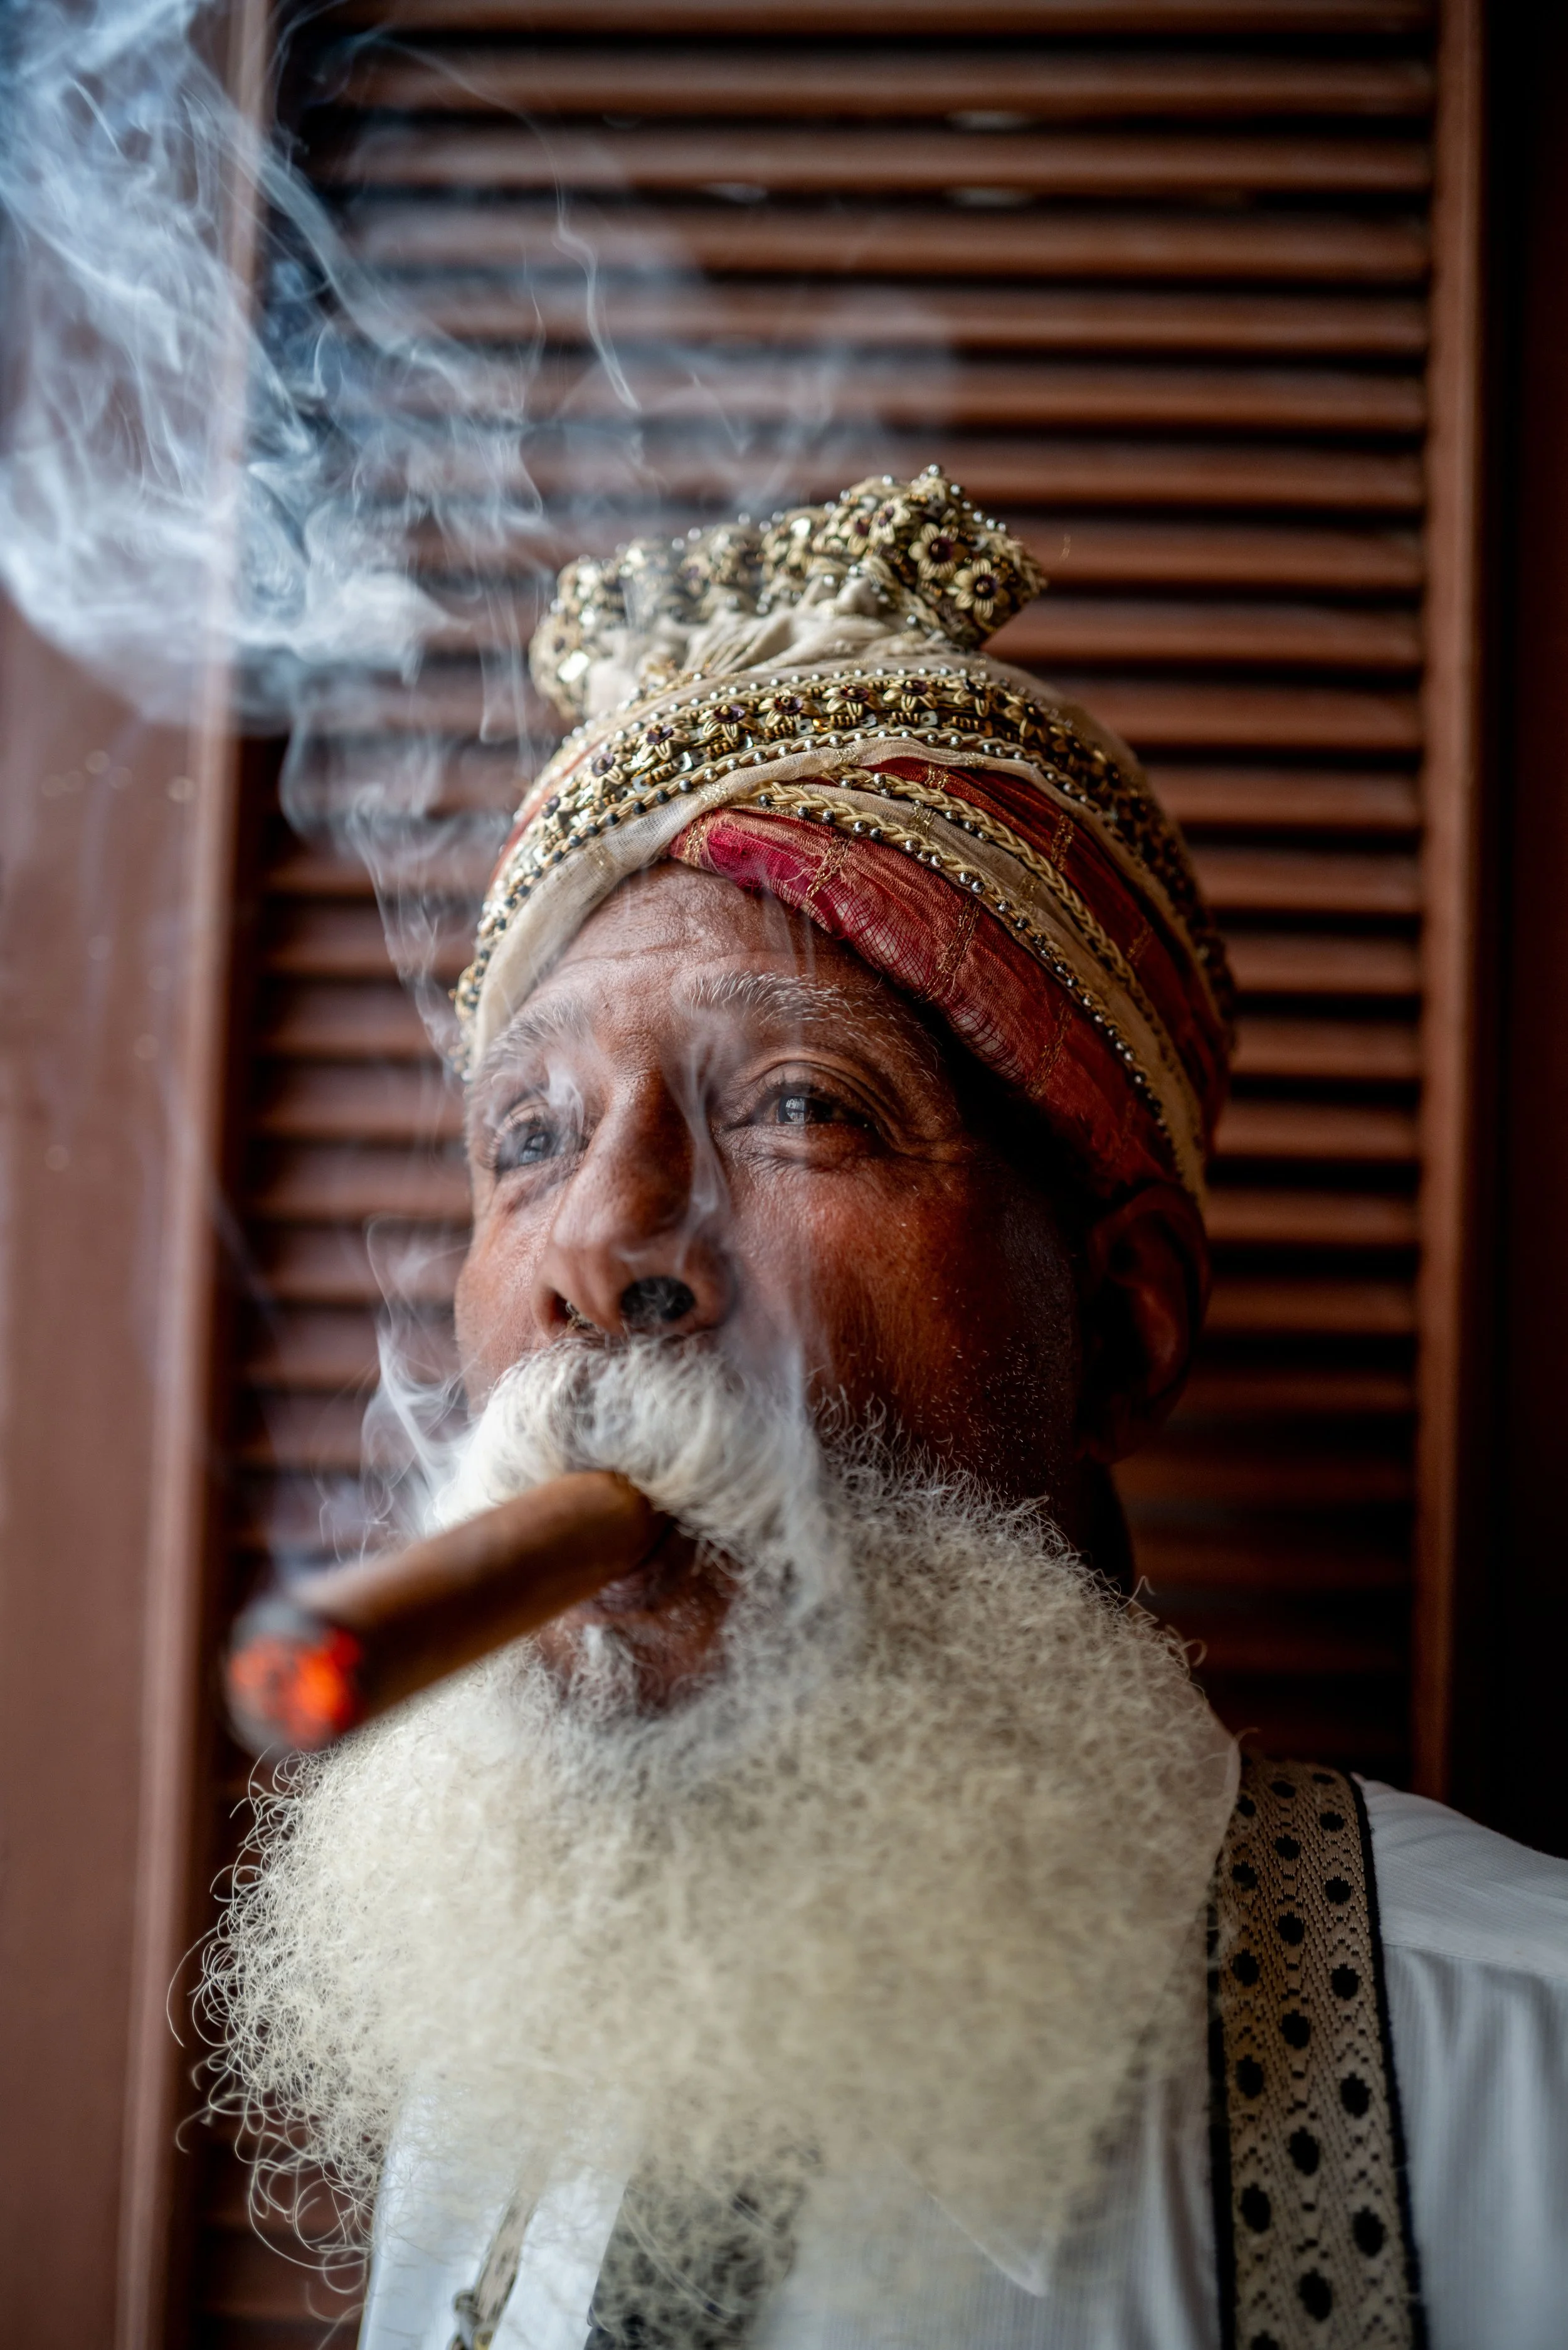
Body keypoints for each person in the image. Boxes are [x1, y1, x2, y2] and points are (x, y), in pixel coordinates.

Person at [207, 472, 1568, 2350]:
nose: (600, 1247)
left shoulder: (1516, 2068)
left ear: (1119, 1323)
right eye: (528, 1138)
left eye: (793, 1107)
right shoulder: (497, 2077)